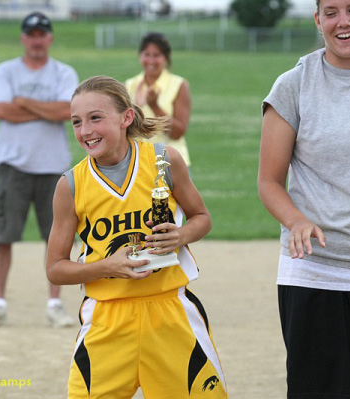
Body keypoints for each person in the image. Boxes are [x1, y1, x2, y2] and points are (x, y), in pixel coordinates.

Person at [258, 0, 350, 397]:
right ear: (318, 19)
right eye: (332, 11)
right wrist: (297, 221)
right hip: (315, 275)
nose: (344, 22)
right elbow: (269, 181)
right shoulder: (293, 85)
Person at [47, 76, 227, 398]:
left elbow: (202, 218)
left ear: (126, 117)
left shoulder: (163, 160)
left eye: (95, 118)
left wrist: (181, 235)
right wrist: (107, 266)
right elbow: (56, 268)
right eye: (77, 122)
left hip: (170, 311)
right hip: (107, 317)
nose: (85, 130)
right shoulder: (71, 185)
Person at [0, 11, 79, 328]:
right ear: (23, 38)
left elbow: (67, 111)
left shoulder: (63, 72)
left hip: (54, 167)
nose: (36, 40)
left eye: (42, 34)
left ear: (50, 39)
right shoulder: (6, 70)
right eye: (31, 34)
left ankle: (55, 304)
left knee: (56, 238)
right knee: (4, 235)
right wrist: (45, 111)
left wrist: (25, 103)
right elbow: (1, 110)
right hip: (14, 164)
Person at [125, 32, 193, 167]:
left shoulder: (179, 85)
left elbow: (177, 133)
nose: (150, 61)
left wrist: (154, 106)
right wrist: (136, 109)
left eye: (156, 55)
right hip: (138, 164)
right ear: (140, 56)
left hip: (170, 164)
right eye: (146, 54)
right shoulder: (129, 85)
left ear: (166, 58)